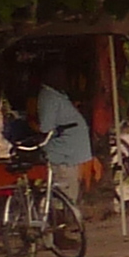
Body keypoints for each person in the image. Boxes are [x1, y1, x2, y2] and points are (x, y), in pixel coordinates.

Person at [33, 73, 94, 210]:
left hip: (69, 153)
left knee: (68, 191)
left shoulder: (56, 95)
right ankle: (60, 223)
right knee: (64, 192)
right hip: (64, 153)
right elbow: (46, 127)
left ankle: (62, 221)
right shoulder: (48, 97)